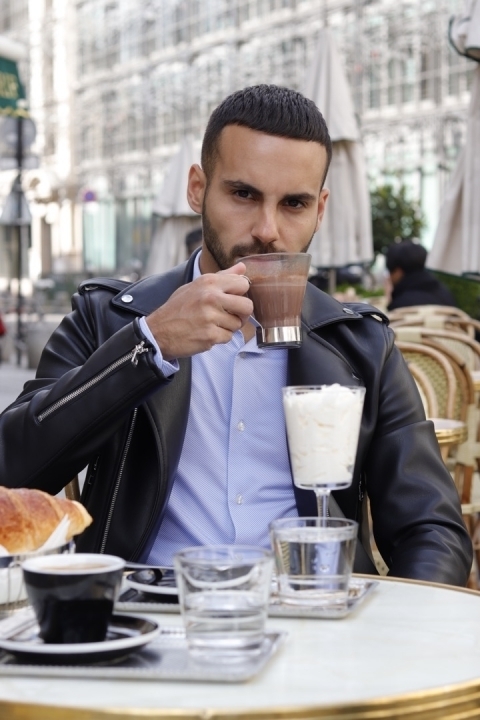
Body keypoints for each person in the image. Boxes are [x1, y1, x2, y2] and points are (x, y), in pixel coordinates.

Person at [0, 85, 471, 586]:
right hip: (146, 609)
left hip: (313, 609)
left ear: (320, 210)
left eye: (293, 203)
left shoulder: (361, 345)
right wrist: (148, 344)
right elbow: (14, 469)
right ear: (197, 189)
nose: (267, 229)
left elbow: (432, 530)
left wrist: (391, 627)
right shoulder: (109, 318)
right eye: (244, 194)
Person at [386, 240, 457, 311]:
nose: (389, 277)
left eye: (390, 272)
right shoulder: (446, 295)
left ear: (398, 272)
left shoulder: (400, 306)